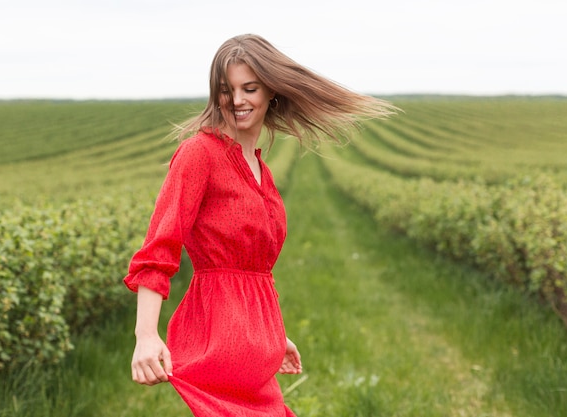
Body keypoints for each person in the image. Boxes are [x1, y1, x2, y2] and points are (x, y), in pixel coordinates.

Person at [123, 34, 396, 417]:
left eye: (249, 88)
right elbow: (159, 248)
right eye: (225, 90)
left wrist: (271, 333)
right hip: (217, 348)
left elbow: (252, 269)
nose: (237, 101)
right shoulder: (199, 154)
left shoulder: (260, 170)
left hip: (256, 355)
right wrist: (146, 336)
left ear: (272, 91)